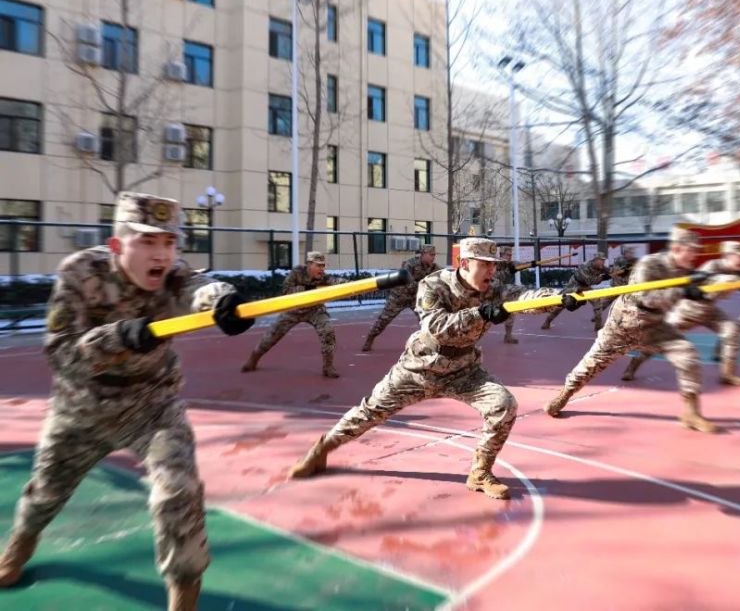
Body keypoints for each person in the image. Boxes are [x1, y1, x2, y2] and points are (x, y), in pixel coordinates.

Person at [0, 193, 254, 611]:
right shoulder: (80, 274)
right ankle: (20, 545)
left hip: (151, 406)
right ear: (118, 245)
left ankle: (183, 598)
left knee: (179, 492)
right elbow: (61, 355)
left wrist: (223, 300)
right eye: (147, 242)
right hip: (81, 409)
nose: (162, 254)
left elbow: (196, 286)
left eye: (169, 242)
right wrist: (120, 337)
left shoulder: (172, 273)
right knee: (45, 493)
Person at [287, 238, 559, 500]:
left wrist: (558, 298)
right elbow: (437, 326)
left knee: (503, 405)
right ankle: (323, 448)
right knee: (370, 411)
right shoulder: (434, 284)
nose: (492, 270)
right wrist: (480, 314)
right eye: (485, 264)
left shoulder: (494, 288)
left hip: (464, 371)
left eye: (493, 265)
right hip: (418, 369)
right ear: (464, 264)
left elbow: (525, 297)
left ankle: (480, 473)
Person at [545, 230, 719, 433]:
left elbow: (699, 283)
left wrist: (709, 284)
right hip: (622, 326)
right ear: (677, 248)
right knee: (590, 366)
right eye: (691, 251)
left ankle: (691, 413)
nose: (694, 256)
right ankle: (564, 395)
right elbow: (647, 298)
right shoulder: (650, 264)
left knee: (687, 353)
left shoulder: (684, 269)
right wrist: (683, 291)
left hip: (653, 327)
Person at [621, 240, 740, 386]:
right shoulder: (713, 266)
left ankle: (727, 375)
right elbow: (711, 280)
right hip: (688, 310)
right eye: (739, 256)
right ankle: (632, 367)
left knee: (732, 333)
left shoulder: (738, 270)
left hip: (710, 311)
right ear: (729, 255)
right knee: (660, 341)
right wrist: (732, 280)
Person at [241, 251, 348, 376]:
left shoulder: (322, 276)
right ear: (309, 265)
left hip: (315, 310)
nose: (322, 269)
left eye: (323, 265)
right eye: (318, 265)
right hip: (293, 310)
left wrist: (350, 284)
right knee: (272, 335)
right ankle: (253, 359)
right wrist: (309, 289)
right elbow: (286, 290)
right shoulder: (297, 272)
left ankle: (328, 367)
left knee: (328, 331)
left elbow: (335, 281)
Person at [362, 244, 440, 351]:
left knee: (427, 319)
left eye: (434, 255)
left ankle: (431, 343)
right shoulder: (410, 264)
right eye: (431, 255)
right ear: (423, 254)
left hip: (414, 299)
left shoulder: (434, 267)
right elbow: (408, 283)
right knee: (383, 320)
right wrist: (425, 286)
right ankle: (370, 338)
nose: (433, 257)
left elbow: (443, 275)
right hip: (399, 297)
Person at [541, 253, 610, 332]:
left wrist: (620, 271)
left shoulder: (600, 267)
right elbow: (590, 281)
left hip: (586, 287)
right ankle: (547, 321)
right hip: (574, 286)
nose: (603, 262)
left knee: (597, 303)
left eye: (603, 260)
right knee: (561, 303)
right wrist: (603, 278)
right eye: (601, 260)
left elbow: (611, 271)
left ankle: (598, 326)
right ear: (595, 260)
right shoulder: (585, 267)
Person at [492, 246, 540, 344]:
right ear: (501, 255)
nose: (509, 257)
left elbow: (522, 265)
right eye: (507, 255)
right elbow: (495, 277)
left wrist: (532, 264)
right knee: (487, 316)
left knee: (511, 312)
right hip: (494, 293)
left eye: (510, 255)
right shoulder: (494, 264)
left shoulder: (512, 264)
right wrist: (509, 271)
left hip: (507, 293)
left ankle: (508, 336)